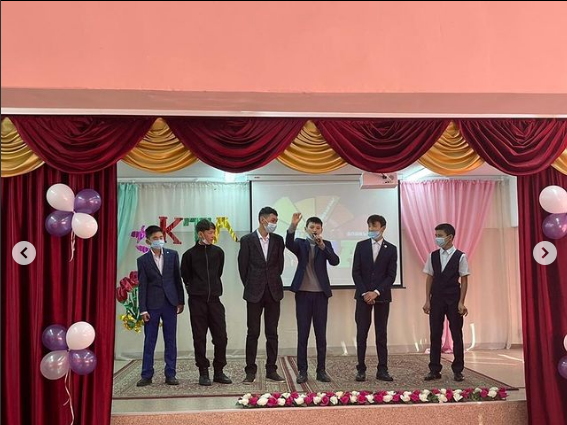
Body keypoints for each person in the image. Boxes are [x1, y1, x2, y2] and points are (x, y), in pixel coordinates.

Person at [286, 213, 340, 384]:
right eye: (311, 227)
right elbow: (288, 243)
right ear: (306, 229)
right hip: (303, 293)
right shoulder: (300, 243)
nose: (314, 230)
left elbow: (335, 261)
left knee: (320, 334)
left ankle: (321, 371)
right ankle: (302, 371)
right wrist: (293, 226)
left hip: (321, 295)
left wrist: (322, 245)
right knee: (303, 334)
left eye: (317, 228)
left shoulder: (326, 244)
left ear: (321, 230)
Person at [181, 219, 232, 386]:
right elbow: (186, 276)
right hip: (197, 302)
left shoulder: (218, 252)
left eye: (213, 232)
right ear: (200, 234)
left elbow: (218, 272)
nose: (213, 235)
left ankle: (219, 371)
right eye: (210, 232)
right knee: (199, 337)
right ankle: (203, 372)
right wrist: (195, 289)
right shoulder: (189, 255)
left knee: (221, 337)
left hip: (215, 301)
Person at [238, 207, 286, 383]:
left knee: (272, 332)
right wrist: (252, 284)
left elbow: (280, 265)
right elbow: (243, 267)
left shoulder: (278, 240)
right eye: (273, 220)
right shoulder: (247, 240)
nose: (274, 223)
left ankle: (271, 369)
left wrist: (271, 280)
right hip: (254, 292)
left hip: (273, 291)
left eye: (276, 221)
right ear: (262, 220)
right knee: (253, 332)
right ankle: (250, 371)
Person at [136, 225, 185, 387]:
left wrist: (180, 301)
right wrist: (143, 309)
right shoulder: (143, 260)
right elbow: (142, 286)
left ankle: (170, 373)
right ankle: (146, 374)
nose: (159, 241)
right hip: (152, 305)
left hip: (170, 303)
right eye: (155, 238)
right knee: (150, 340)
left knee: (171, 339)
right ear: (148, 241)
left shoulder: (172, 255)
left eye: (161, 238)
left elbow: (177, 279)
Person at [352, 215, 398, 382]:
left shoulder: (391, 249)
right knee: (361, 333)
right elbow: (356, 272)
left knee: (381, 333)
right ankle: (361, 369)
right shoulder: (361, 246)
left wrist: (376, 292)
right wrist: (365, 293)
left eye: (374, 227)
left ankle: (382, 369)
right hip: (363, 297)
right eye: (369, 227)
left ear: (383, 228)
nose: (371, 230)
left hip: (382, 297)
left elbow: (391, 275)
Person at [422, 223, 470, 382]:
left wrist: (461, 302)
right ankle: (434, 369)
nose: (437, 238)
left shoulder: (460, 256)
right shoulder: (432, 255)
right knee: (435, 334)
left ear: (449, 237)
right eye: (436, 235)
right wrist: (427, 300)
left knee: (456, 334)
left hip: (453, 299)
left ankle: (458, 370)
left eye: (440, 235)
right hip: (436, 299)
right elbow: (429, 277)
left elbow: (464, 280)